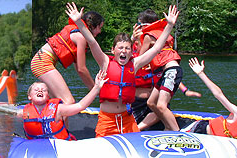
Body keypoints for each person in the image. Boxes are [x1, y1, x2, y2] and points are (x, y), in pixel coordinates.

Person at [67, 2, 178, 137]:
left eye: (127, 48)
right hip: (107, 120)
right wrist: (79, 22)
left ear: (132, 52)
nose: (124, 51)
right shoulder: (104, 61)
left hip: (127, 120)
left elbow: (156, 48)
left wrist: (169, 25)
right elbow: (92, 41)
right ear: (113, 50)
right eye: (120, 48)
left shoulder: (135, 64)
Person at [131, 9, 200, 130]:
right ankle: (168, 128)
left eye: (139, 25)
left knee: (161, 106)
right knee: (151, 103)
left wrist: (136, 40)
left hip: (171, 71)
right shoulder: (160, 35)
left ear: (146, 25)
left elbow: (140, 59)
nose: (138, 28)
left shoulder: (148, 36)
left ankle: (177, 132)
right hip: (167, 74)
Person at [30, 5, 104, 105]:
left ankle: (46, 119)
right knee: (68, 102)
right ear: (92, 26)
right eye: (100, 27)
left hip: (39, 62)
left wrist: (94, 89)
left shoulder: (77, 34)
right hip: (42, 63)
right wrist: (96, 89)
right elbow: (82, 69)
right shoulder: (81, 38)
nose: (100, 31)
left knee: (58, 101)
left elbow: (79, 69)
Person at [20, 70, 108, 140]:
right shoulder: (23, 113)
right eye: (36, 90)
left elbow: (80, 106)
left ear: (48, 96)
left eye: (44, 90)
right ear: (29, 96)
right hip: (36, 149)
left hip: (59, 147)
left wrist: (96, 88)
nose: (40, 91)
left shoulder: (58, 109)